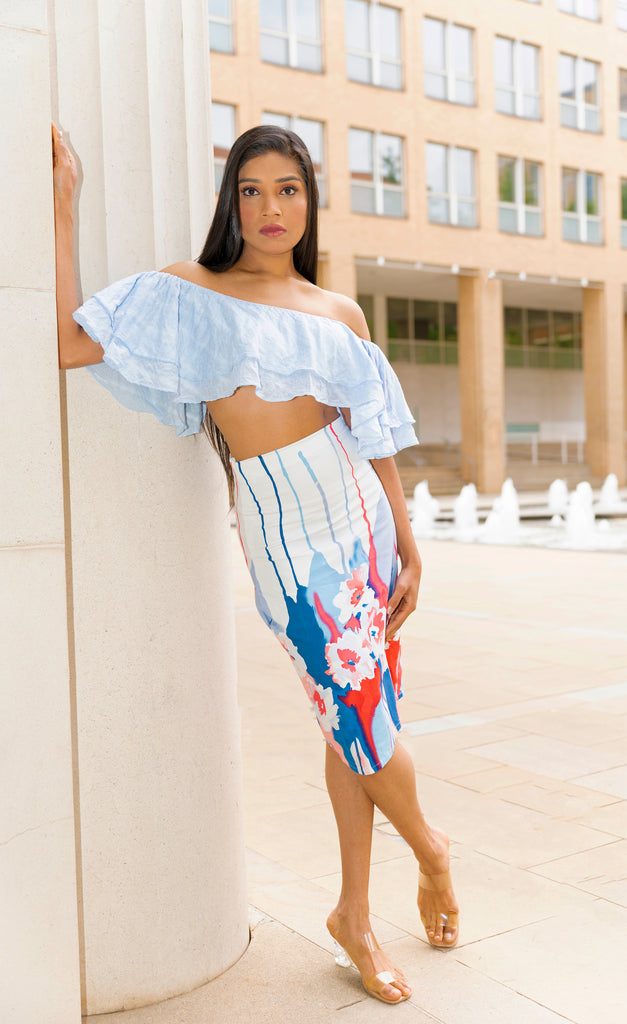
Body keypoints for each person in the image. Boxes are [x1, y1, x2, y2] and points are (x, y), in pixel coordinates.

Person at [52, 121, 459, 1006]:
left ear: (309, 203)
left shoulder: (338, 312)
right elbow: (68, 342)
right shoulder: (187, 291)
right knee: (362, 719)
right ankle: (431, 851)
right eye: (251, 190)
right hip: (287, 546)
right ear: (230, 202)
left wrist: (409, 541)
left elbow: (372, 436)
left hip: (362, 523)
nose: (270, 208)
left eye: (288, 190)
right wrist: (63, 208)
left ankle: (354, 913)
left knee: (349, 725)